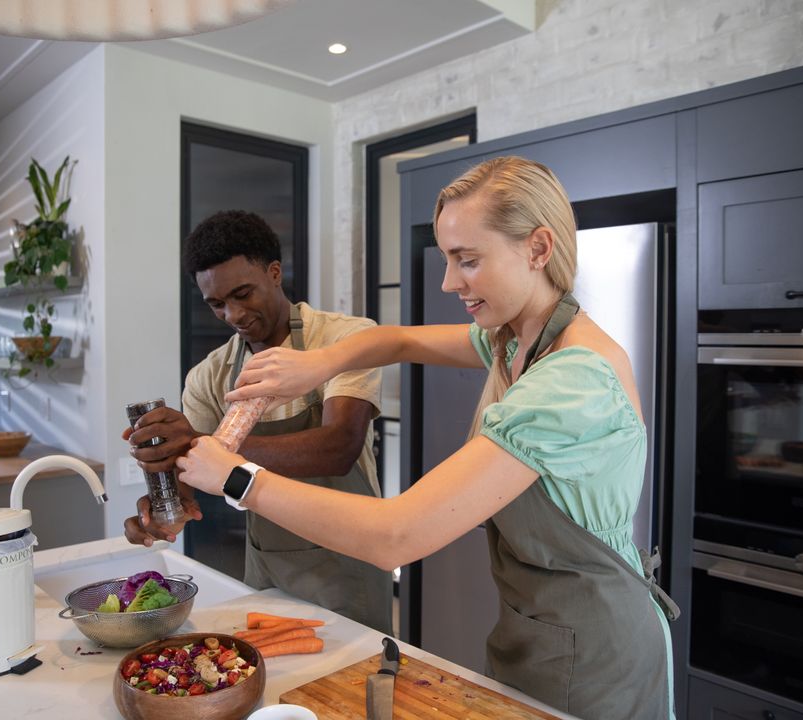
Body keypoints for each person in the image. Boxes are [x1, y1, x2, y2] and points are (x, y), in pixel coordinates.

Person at [174, 158, 679, 719]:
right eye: (446, 259)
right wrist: (318, 364)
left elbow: (397, 536)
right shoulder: (514, 340)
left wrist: (235, 476)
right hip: (536, 631)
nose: (447, 281)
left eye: (468, 260)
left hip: (596, 656)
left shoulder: (569, 379)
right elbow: (396, 341)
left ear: (538, 249)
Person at [122, 209, 393, 635]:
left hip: (347, 561)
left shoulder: (343, 339)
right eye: (216, 304)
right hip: (269, 564)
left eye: (243, 294)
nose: (232, 314)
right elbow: (191, 473)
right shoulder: (210, 374)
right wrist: (162, 505)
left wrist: (204, 444)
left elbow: (338, 447)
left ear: (274, 272)